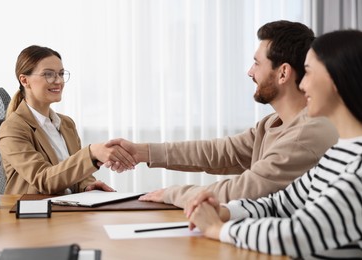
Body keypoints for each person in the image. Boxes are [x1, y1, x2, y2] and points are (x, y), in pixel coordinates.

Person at [106, 20, 338, 208]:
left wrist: (173, 193)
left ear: (283, 73)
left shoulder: (305, 134)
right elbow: (220, 152)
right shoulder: (272, 123)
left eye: (257, 64)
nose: (250, 72)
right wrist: (141, 152)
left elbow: (243, 191)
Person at [185, 29, 362, 259]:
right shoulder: (337, 154)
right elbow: (278, 205)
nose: (303, 85)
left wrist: (218, 229)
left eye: (308, 73)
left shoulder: (358, 168)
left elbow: (297, 233)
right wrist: (225, 211)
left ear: (336, 79)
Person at [0, 45, 136, 194]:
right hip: (34, 213)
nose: (58, 81)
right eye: (48, 74)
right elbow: (43, 180)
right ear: (25, 80)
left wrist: (87, 185)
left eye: (61, 74)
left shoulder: (66, 124)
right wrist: (91, 153)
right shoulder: (12, 128)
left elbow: (76, 175)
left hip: (68, 209)